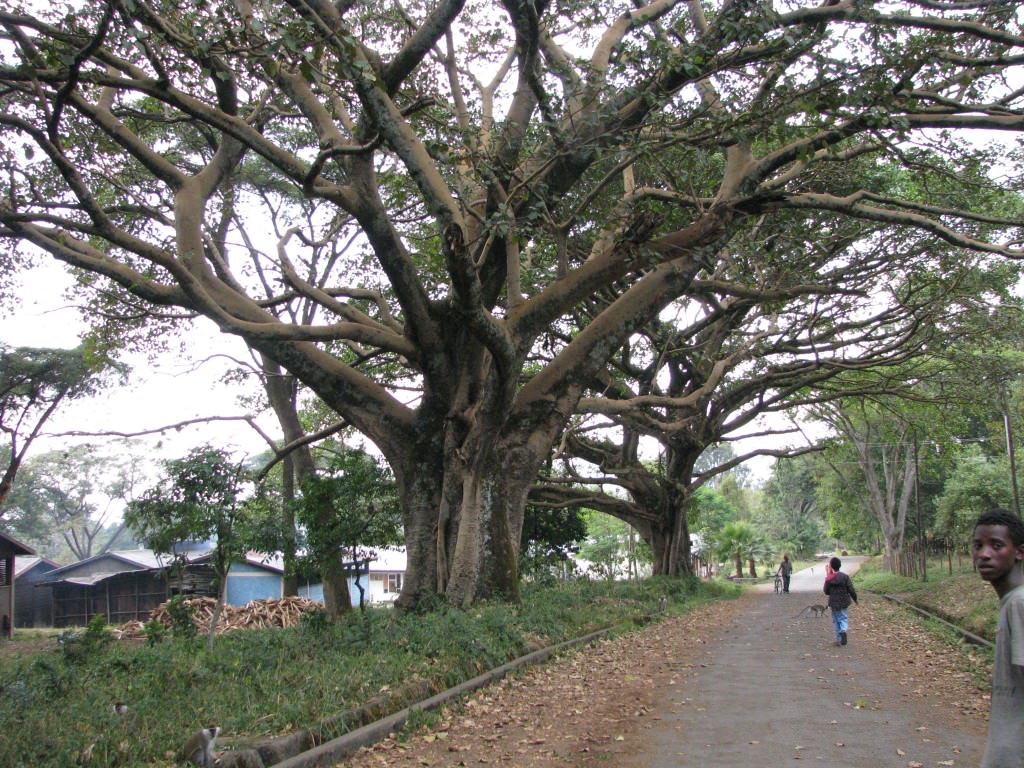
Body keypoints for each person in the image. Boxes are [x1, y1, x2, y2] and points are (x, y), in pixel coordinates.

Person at [973, 508, 1024, 768]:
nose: (984, 554)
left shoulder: (1019, 603)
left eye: (996, 545)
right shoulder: (1011, 602)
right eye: (978, 545)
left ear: (1019, 552)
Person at [823, 556, 857, 646]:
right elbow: (851, 589)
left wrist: (827, 576)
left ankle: (838, 639)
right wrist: (855, 599)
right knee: (843, 618)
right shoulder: (845, 577)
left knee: (836, 620)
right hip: (844, 601)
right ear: (840, 565)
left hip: (833, 602)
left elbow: (826, 591)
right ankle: (843, 630)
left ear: (831, 567)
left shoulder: (829, 578)